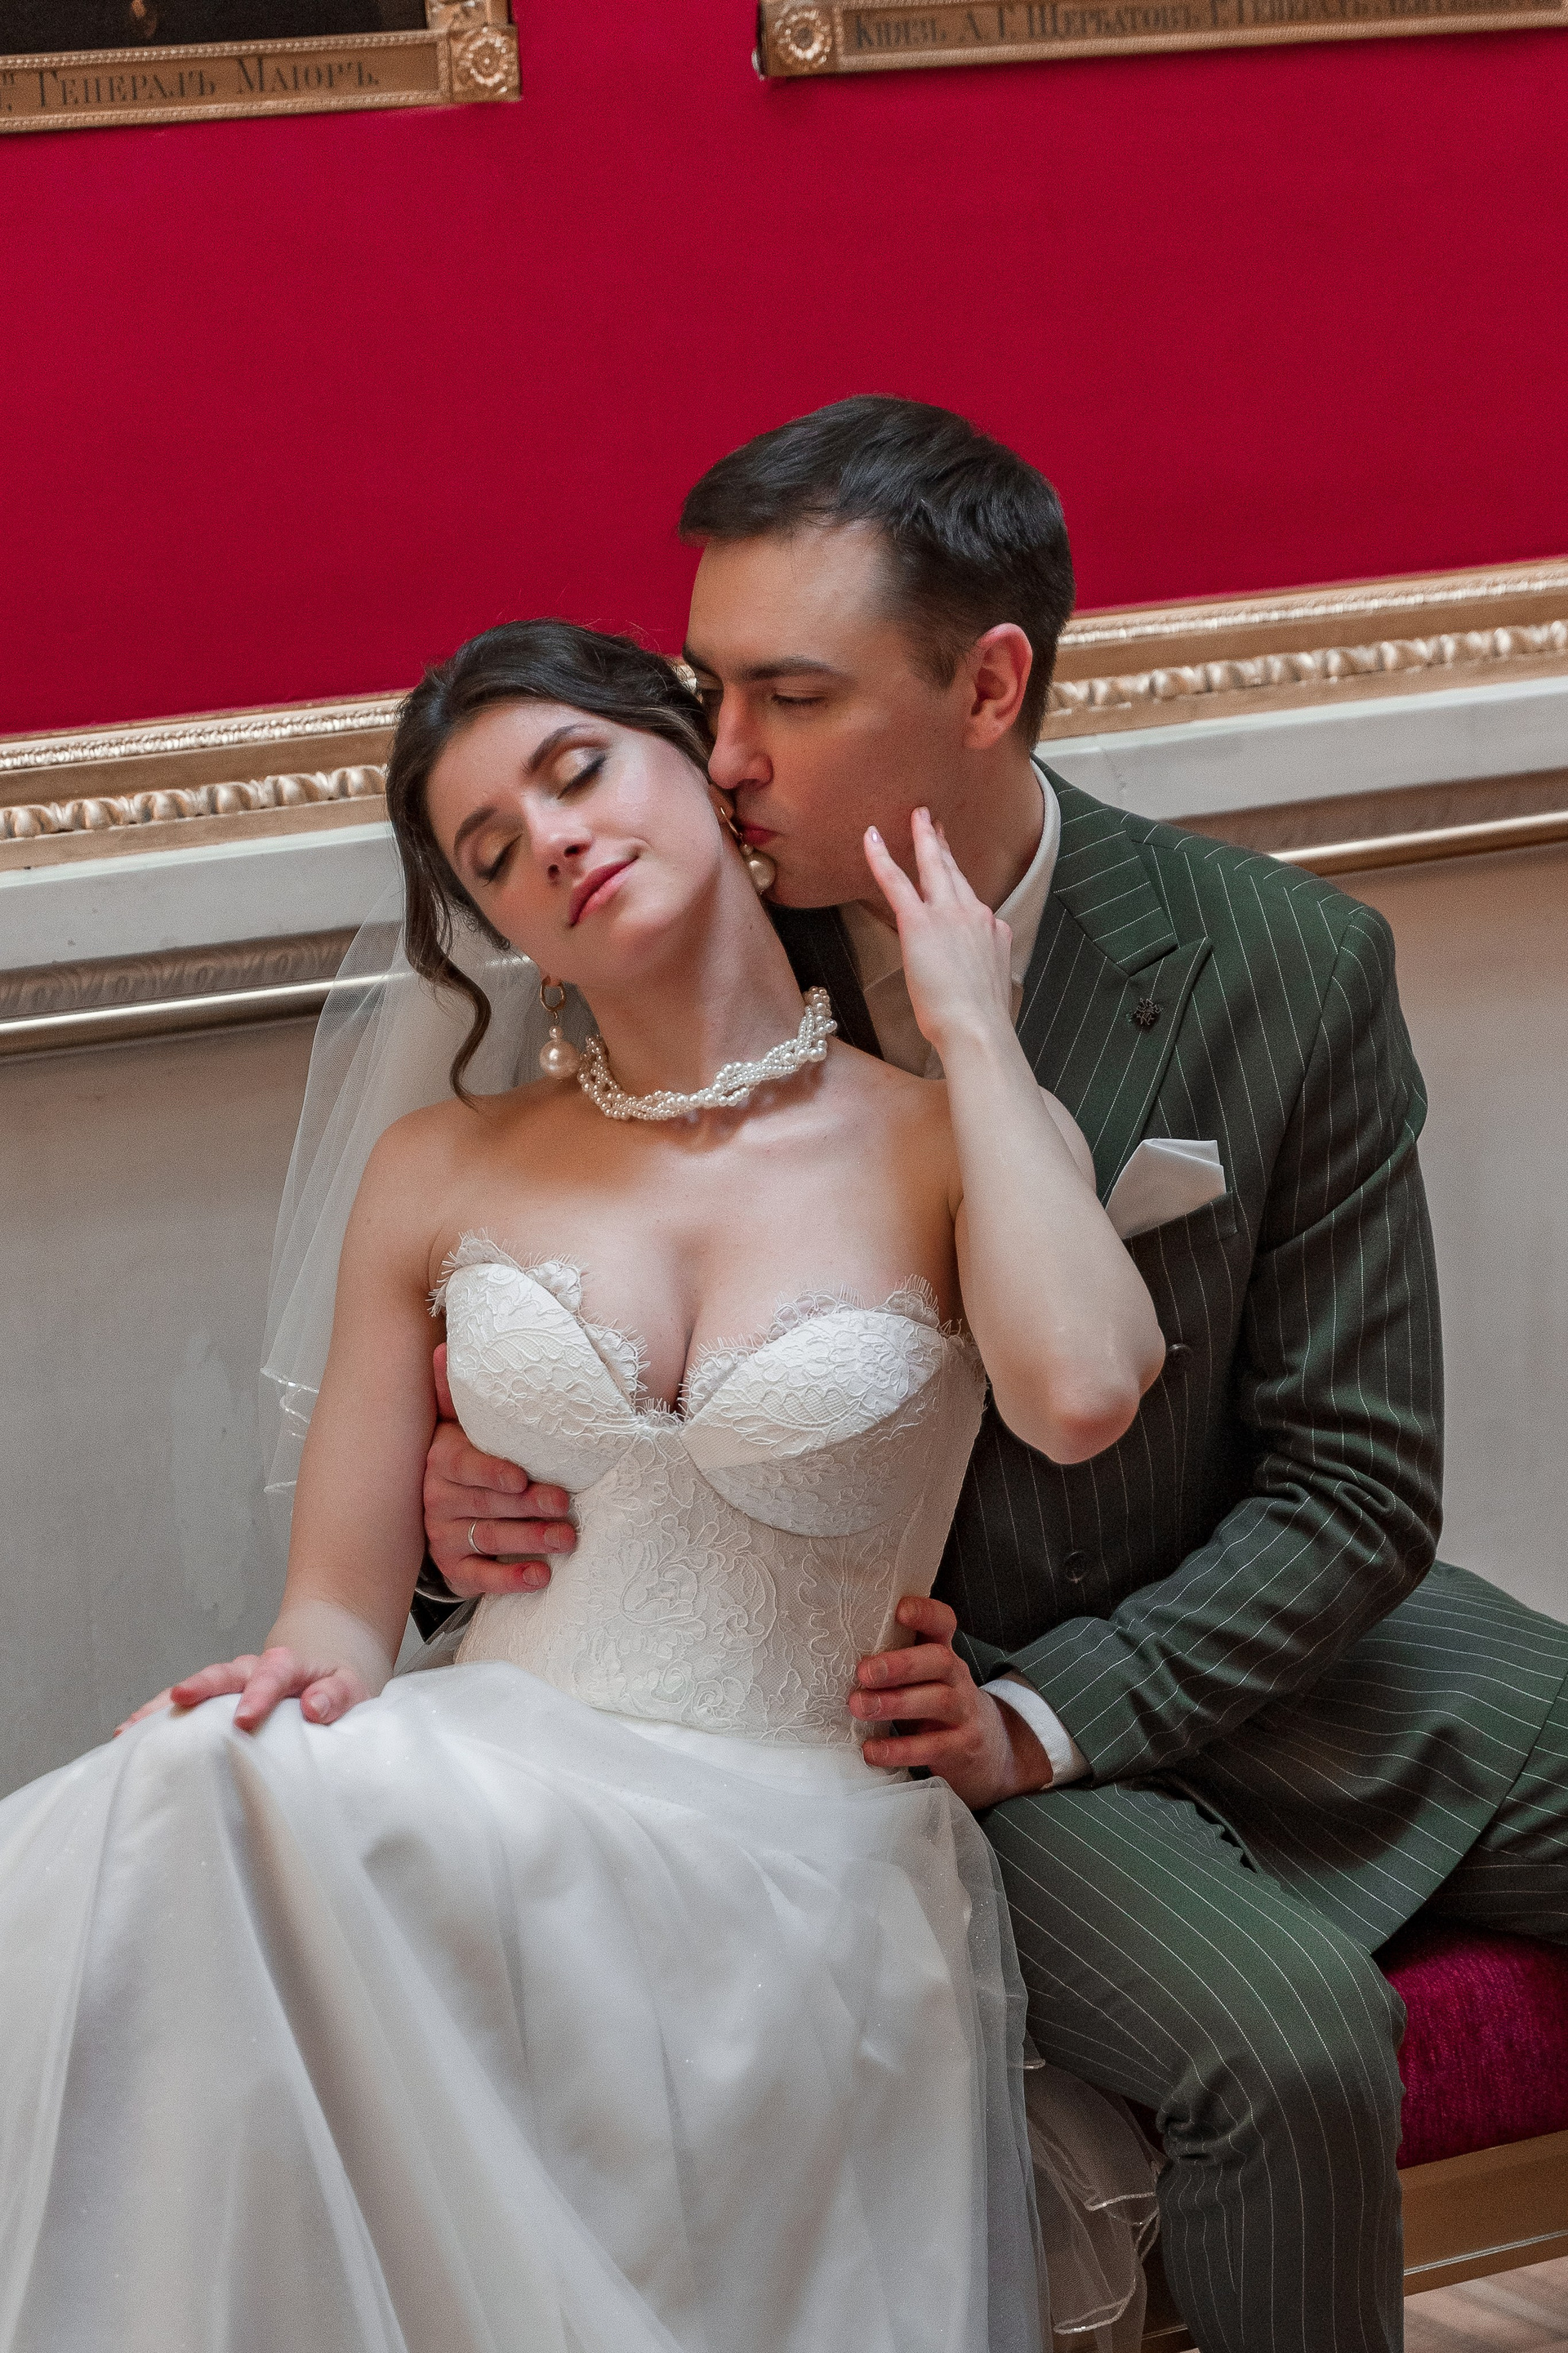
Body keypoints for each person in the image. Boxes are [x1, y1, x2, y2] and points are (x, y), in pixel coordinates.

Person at [421, 398, 1568, 2353]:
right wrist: (465, 1514)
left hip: (1281, 1654)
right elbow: (540, 1326)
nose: (727, 754)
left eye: (792, 695)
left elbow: (1359, 1486)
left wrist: (1063, 1710)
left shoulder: (1284, 963)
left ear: (989, 685)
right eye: (708, 689)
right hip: (896, 1724)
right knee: (1288, 2047)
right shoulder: (669, 937)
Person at [0, 619, 1169, 2351]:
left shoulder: (944, 1133)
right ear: (499, 928)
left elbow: (1079, 1394)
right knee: (179, 1790)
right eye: (491, 851)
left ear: (702, 764)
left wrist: (975, 1030)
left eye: (576, 772)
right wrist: (285, 1676)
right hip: (500, 1793)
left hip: (802, 1854)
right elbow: (338, 1608)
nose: (549, 841)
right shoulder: (437, 1166)